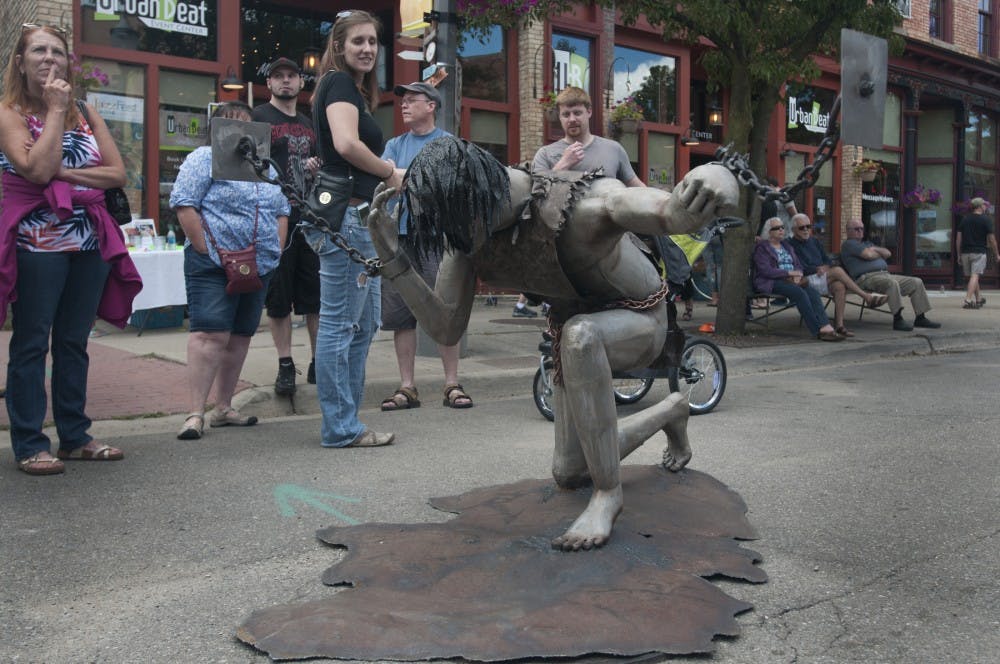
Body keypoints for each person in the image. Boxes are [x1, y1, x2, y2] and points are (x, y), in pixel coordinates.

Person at [367, 135, 741, 550]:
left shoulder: (586, 203)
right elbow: (444, 329)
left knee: (581, 335)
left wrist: (715, 175)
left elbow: (669, 212)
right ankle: (672, 409)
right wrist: (393, 256)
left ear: (480, 199)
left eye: (458, 225)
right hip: (575, 332)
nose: (458, 239)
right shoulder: (466, 234)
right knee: (568, 471)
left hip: (640, 319)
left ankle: (608, 495)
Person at [0, 24, 141, 475]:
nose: (49, 59)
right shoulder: (10, 112)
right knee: (30, 343)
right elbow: (36, 171)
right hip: (35, 244)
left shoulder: (85, 110)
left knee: (74, 342)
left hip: (88, 240)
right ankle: (28, 442)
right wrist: (56, 110)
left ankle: (74, 436)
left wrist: (68, 175)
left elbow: (118, 174)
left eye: (57, 52)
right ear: (20, 62)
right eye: (38, 51)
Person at [304, 9, 403, 448]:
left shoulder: (351, 90)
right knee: (342, 325)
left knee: (363, 325)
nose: (366, 48)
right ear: (339, 46)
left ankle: (347, 421)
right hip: (346, 217)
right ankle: (341, 427)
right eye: (358, 41)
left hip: (357, 218)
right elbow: (345, 145)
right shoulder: (339, 83)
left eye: (372, 42)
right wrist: (388, 172)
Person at [170, 102, 289, 440]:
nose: (239, 131)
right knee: (210, 335)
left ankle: (223, 407)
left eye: (246, 125)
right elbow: (184, 202)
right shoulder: (202, 159)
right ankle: (195, 413)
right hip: (214, 264)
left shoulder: (265, 166)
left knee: (239, 336)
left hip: (260, 264)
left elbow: (282, 208)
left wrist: (276, 249)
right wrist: (205, 249)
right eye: (230, 124)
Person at [379, 81, 472, 411]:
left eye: (412, 101)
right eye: (402, 101)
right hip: (399, 239)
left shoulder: (448, 145)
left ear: (431, 106)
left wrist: (403, 177)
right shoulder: (394, 143)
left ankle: (452, 384)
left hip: (437, 240)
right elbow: (387, 180)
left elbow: (443, 186)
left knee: (446, 312)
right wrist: (413, 179)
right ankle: (407, 387)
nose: (404, 106)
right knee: (401, 315)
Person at [251, 57, 322, 395]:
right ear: (269, 84)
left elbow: (324, 168)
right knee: (278, 297)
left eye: (291, 76)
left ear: (300, 82)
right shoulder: (258, 118)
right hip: (273, 220)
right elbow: (247, 166)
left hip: (309, 217)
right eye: (278, 76)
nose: (285, 82)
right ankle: (285, 364)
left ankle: (317, 361)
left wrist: (315, 167)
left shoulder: (311, 124)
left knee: (315, 297)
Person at [788, 212, 887, 336]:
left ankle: (839, 326)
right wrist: (816, 269)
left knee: (839, 285)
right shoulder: (789, 245)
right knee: (838, 271)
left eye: (808, 226)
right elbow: (798, 267)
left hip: (822, 278)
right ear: (793, 229)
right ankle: (866, 296)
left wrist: (826, 266)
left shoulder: (814, 241)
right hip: (806, 280)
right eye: (802, 227)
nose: (806, 230)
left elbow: (827, 260)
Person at [840, 219, 941, 331]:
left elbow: (887, 253)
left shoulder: (867, 244)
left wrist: (873, 249)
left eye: (862, 228)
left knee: (916, 282)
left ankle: (920, 317)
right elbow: (868, 255)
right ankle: (898, 319)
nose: (860, 231)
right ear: (848, 231)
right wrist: (876, 253)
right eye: (856, 229)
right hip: (866, 278)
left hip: (884, 274)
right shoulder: (849, 244)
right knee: (892, 284)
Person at [753, 218, 843, 341]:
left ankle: (826, 325)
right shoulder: (763, 248)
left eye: (782, 227)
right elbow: (766, 271)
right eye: (777, 228)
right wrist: (788, 273)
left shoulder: (786, 246)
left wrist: (798, 274)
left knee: (812, 292)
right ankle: (817, 330)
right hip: (773, 281)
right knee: (799, 293)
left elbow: (798, 265)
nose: (781, 230)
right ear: (768, 232)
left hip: (792, 280)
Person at [955, 197, 998, 309]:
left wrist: (959, 254)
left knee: (973, 276)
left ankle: (978, 299)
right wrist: (996, 253)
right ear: (979, 206)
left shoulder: (965, 219)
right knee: (975, 275)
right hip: (979, 252)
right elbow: (992, 239)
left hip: (965, 253)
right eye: (984, 205)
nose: (985, 207)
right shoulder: (985, 220)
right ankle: (968, 300)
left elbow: (958, 239)